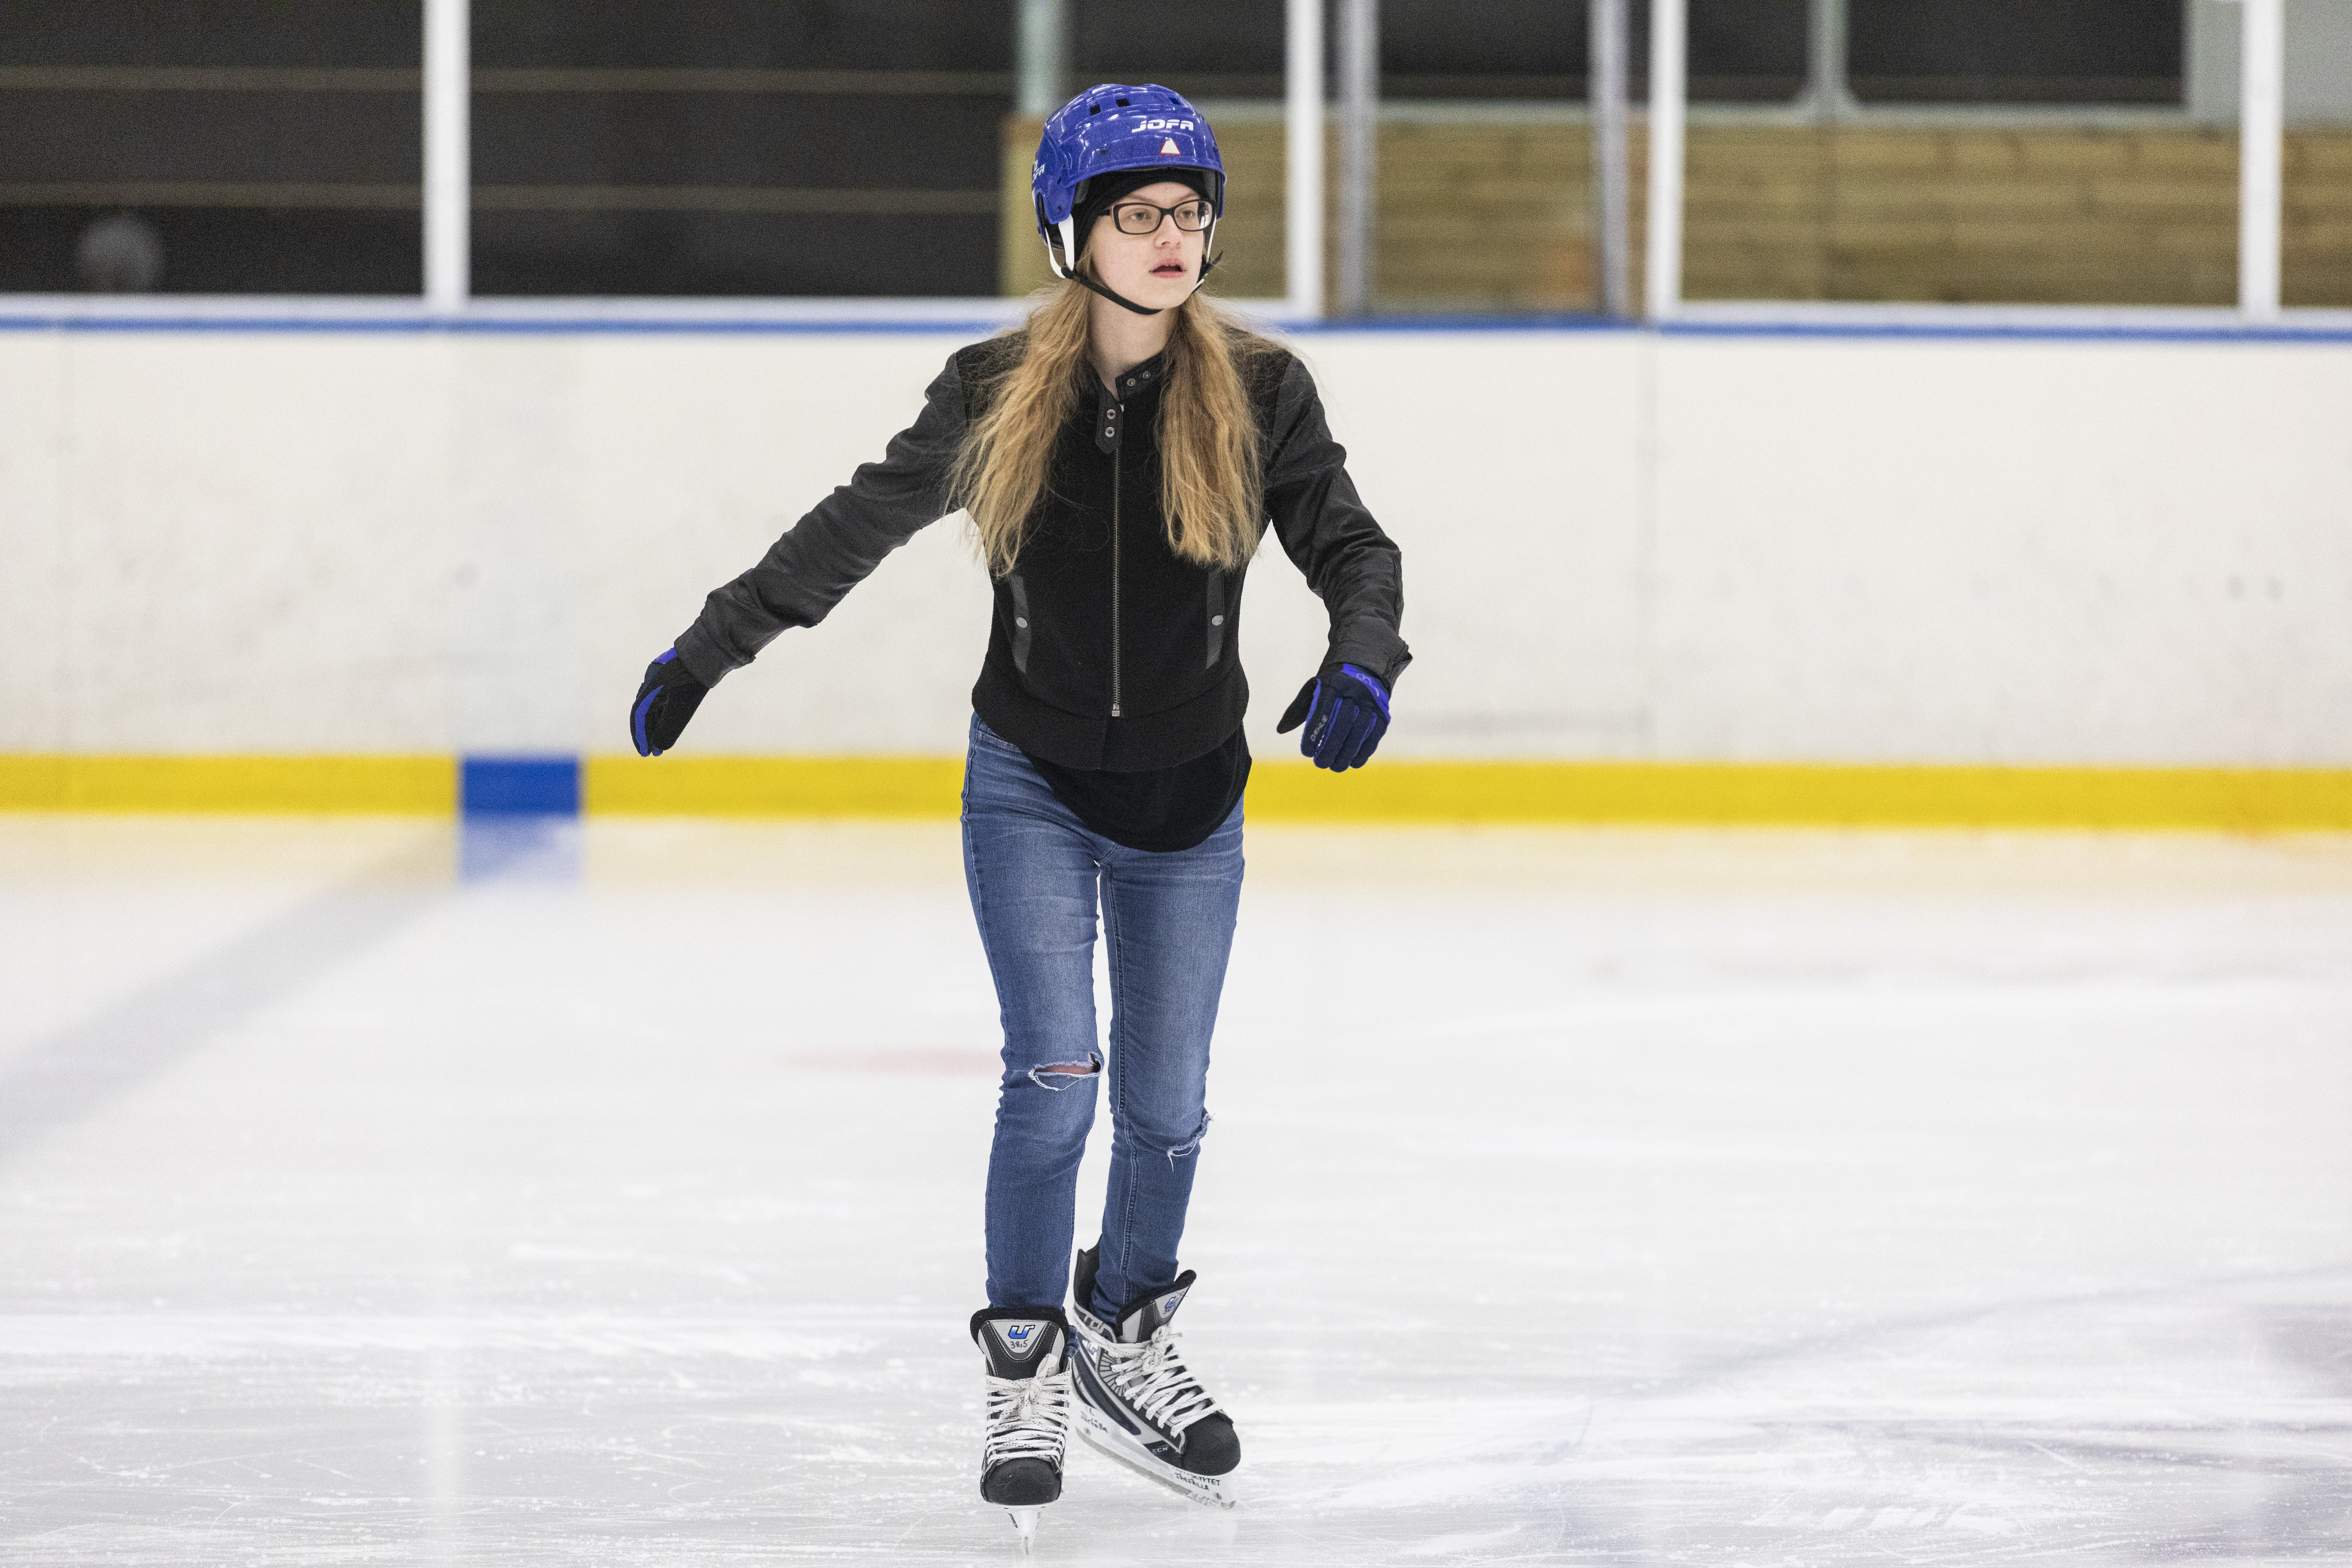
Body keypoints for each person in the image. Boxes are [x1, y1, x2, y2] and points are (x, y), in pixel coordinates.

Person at [625, 83, 1409, 1546]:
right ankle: (1027, 1363)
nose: (1176, 237)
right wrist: (711, 646)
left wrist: (1366, 654)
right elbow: (850, 528)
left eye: (1192, 212)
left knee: (1167, 1109)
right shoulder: (995, 393)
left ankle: (1123, 1327)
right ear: (1074, 232)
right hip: (1032, 786)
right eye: (1140, 212)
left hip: (1193, 799)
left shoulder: (1265, 392)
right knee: (1055, 1074)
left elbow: (1352, 543)